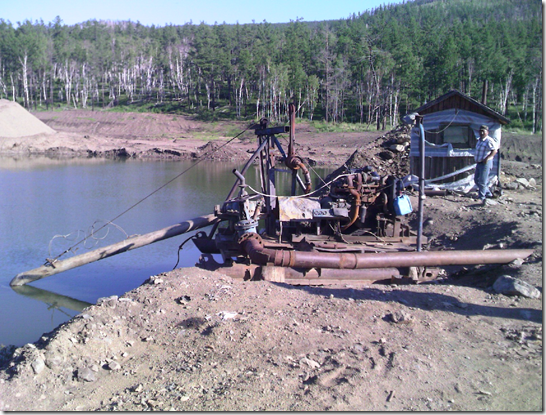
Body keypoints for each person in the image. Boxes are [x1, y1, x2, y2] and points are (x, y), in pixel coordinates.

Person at [474, 125, 497, 205]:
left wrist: (487, 158)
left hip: (486, 163)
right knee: (476, 179)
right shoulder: (479, 140)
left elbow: (494, 150)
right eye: (480, 131)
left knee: (482, 181)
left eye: (483, 131)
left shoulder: (489, 140)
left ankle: (481, 198)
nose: (482, 132)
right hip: (479, 162)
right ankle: (488, 193)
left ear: (487, 132)